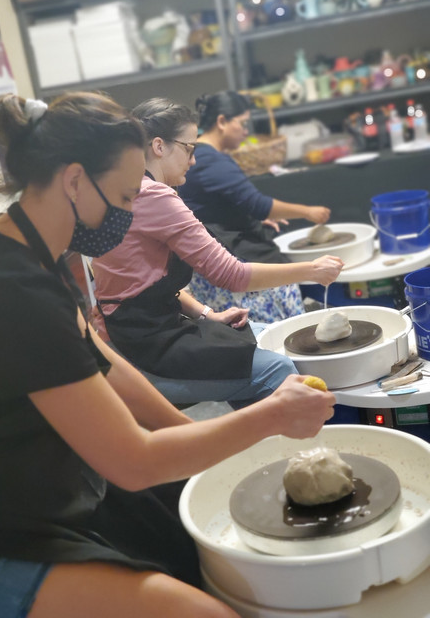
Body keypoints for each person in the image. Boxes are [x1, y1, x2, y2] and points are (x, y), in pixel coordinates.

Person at [0, 91, 337, 618]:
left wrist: (187, 433)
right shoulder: (8, 288)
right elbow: (134, 462)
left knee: (184, 531)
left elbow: (103, 361)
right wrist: (272, 417)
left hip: (33, 475)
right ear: (74, 180)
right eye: (126, 196)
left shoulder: (17, 242)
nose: (130, 212)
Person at [92, 97, 343, 409]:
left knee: (270, 334)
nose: (194, 160)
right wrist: (311, 270)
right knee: (278, 367)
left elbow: (143, 288)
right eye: (189, 148)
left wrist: (208, 314)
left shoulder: (125, 189)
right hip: (144, 345)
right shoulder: (153, 196)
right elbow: (232, 275)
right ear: (159, 146)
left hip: (139, 330)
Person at [178, 90, 332, 322]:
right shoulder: (210, 160)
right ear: (222, 121)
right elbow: (259, 205)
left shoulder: (203, 157)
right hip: (234, 263)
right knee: (283, 332)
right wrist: (308, 212)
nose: (246, 131)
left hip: (212, 265)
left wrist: (248, 216)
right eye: (242, 123)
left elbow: (213, 206)